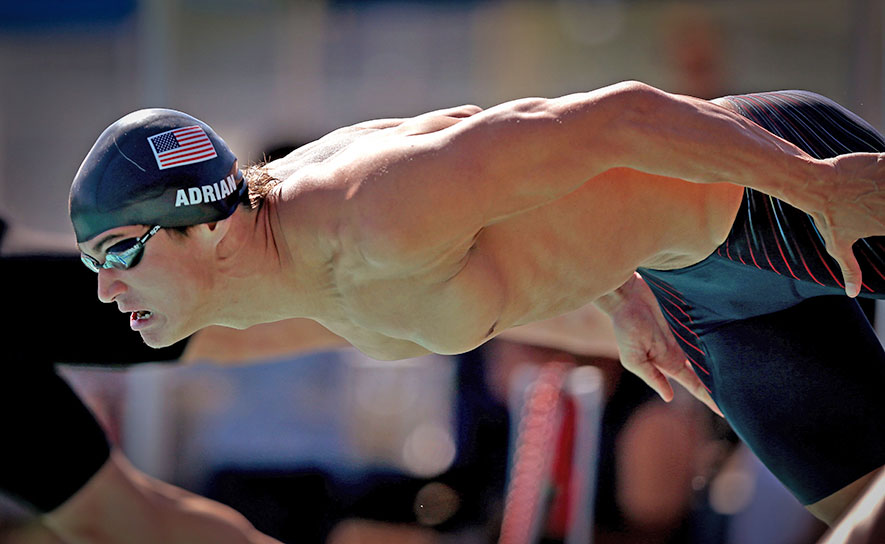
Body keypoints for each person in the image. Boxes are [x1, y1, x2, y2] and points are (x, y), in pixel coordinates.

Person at [69, 81, 885, 527]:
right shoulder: (289, 266)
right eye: (91, 260)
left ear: (209, 227)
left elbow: (620, 117)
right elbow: (520, 206)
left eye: (121, 250)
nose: (105, 285)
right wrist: (620, 298)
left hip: (776, 192)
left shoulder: (373, 210)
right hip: (706, 294)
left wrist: (813, 184)